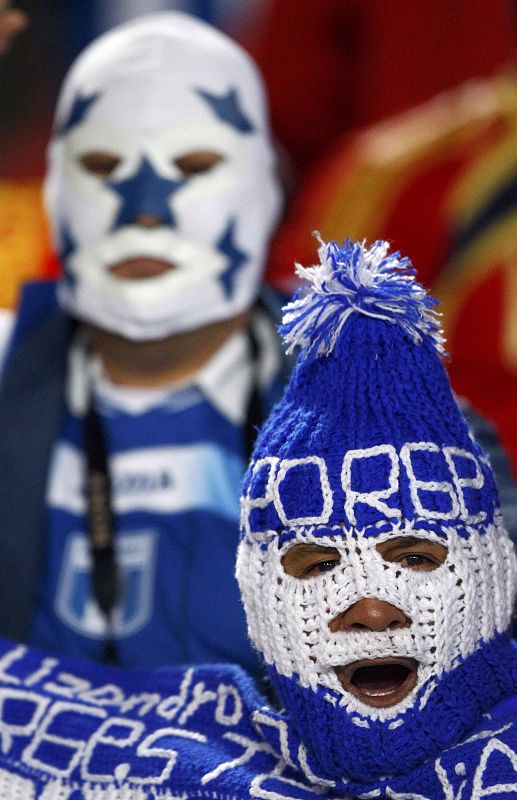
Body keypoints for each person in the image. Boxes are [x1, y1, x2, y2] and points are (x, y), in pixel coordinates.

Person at [0, 238, 514, 799]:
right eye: (318, 565)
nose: (370, 606)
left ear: (496, 573)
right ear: (257, 601)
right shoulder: (175, 754)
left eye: (415, 556)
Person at [0, 12, 284, 671]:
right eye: (104, 165)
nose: (147, 207)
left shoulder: (382, 407)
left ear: (263, 185)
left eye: (193, 163)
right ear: (54, 189)